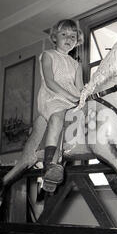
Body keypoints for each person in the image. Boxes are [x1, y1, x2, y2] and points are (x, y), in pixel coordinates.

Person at [38, 19, 84, 189]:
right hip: (53, 96)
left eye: (73, 36)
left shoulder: (76, 64)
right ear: (54, 37)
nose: (69, 38)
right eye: (64, 34)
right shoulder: (48, 55)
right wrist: (71, 97)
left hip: (72, 98)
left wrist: (83, 98)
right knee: (57, 117)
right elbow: (50, 81)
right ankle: (48, 165)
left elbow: (80, 88)